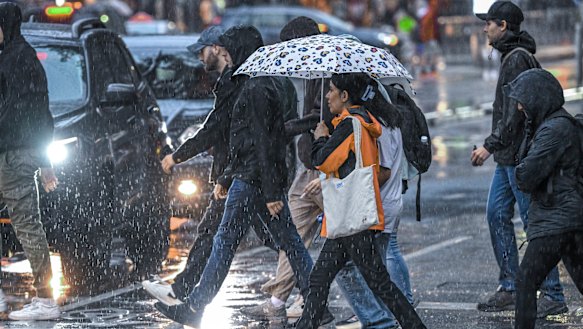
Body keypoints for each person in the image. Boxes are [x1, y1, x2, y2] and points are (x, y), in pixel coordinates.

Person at [153, 25, 313, 328]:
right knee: (287, 241)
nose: (223, 54)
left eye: (227, 49)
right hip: (254, 175)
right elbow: (257, 137)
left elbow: (258, 141)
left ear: (240, 50)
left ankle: (195, 307)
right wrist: (231, 177)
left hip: (252, 177)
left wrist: (268, 191)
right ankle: (315, 297)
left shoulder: (253, 87)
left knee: (226, 241)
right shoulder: (262, 83)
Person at [142, 26, 275, 305]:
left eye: (203, 51)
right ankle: (188, 295)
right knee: (232, 236)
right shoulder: (237, 80)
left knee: (229, 236)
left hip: (240, 174)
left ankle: (186, 295)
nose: (200, 58)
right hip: (239, 173)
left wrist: (177, 157)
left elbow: (217, 130)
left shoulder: (238, 83)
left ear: (217, 48)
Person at [291, 73, 426, 329]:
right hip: (351, 215)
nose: (327, 96)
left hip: (351, 215)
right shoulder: (364, 121)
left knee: (379, 282)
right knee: (321, 278)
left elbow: (321, 161)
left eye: (331, 90)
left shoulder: (350, 125)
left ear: (345, 96)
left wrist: (320, 136)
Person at [471, 0, 567, 316]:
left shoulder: (515, 60)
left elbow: (515, 112)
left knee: (534, 224)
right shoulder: (511, 57)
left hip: (517, 155)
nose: (484, 28)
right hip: (507, 157)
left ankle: (552, 293)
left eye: (489, 23)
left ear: (503, 26)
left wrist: (489, 144)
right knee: (496, 214)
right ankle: (512, 284)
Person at [240, 16, 335, 325]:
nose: (289, 54)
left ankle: (332, 301)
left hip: (327, 170)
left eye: (290, 46)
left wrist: (286, 129)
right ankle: (278, 300)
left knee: (351, 243)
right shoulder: (311, 72)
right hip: (308, 168)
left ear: (303, 41)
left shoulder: (329, 70)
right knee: (293, 236)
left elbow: (326, 118)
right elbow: (309, 117)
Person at [334, 81, 416, 329]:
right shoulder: (390, 121)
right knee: (378, 266)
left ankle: (384, 318)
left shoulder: (377, 125)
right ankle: (397, 313)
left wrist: (351, 182)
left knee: (356, 267)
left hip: (379, 204)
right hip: (389, 202)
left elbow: (383, 172)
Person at [507, 68, 583, 329]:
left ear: (537, 99)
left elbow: (526, 176)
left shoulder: (554, 130)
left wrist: (521, 166)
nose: (519, 107)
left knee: (526, 280)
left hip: (558, 219)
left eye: (523, 101)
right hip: (566, 217)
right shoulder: (549, 125)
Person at [0, 2, 60, 320]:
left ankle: (46, 301)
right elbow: (43, 113)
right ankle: (45, 299)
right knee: (29, 226)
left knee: (27, 226)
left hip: (10, 156)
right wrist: (45, 158)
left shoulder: (10, 61)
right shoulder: (28, 58)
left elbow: (13, 113)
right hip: (21, 154)